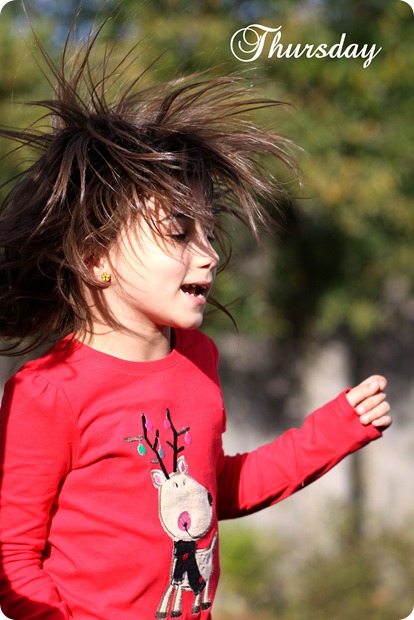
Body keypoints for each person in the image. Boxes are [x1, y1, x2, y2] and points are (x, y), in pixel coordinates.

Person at [0, 21, 392, 620]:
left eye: (209, 231)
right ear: (94, 256)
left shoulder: (197, 357)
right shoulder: (47, 393)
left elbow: (215, 490)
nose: (208, 253)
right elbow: (13, 559)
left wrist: (335, 431)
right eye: (179, 233)